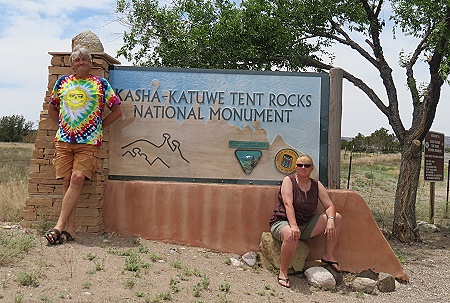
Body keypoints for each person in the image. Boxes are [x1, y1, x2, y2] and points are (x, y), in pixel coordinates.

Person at [45, 46, 122, 245]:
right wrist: (64, 125)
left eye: (84, 60)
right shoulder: (63, 82)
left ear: (90, 63)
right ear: (72, 65)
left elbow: (117, 111)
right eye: (77, 60)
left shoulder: (101, 84)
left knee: (77, 178)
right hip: (63, 141)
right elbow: (52, 108)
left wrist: (99, 126)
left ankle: (59, 225)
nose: (81, 63)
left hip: (88, 143)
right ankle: (70, 230)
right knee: (66, 182)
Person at [269, 153, 342, 288]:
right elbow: (288, 204)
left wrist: (330, 220)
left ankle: (328, 255)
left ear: (311, 168)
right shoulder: (288, 181)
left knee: (336, 217)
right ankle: (283, 272)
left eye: (307, 165)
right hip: (283, 221)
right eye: (300, 165)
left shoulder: (316, 185)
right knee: (291, 234)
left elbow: (329, 205)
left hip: (306, 224)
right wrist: (294, 225)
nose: (303, 167)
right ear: (296, 167)